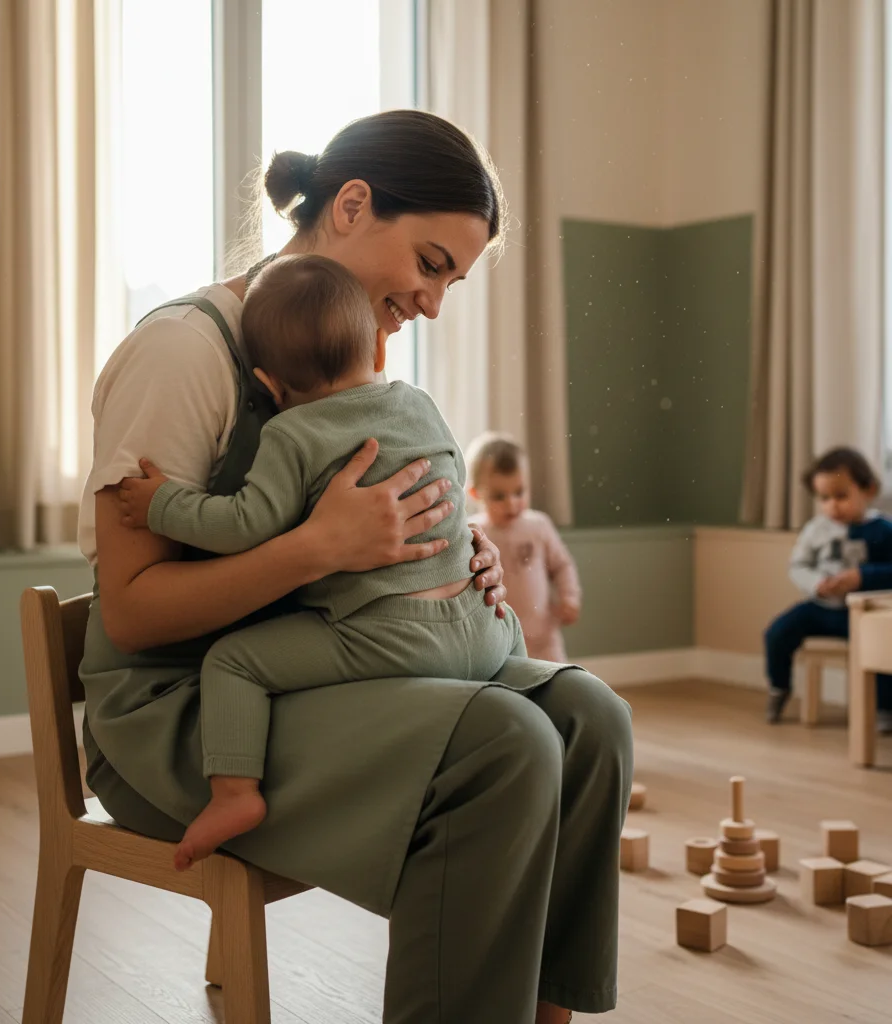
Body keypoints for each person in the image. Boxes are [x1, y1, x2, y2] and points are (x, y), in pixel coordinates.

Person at [78, 109, 633, 1024]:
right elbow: (132, 614)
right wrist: (320, 548)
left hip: (326, 662)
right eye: (429, 265)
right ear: (351, 204)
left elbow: (371, 523)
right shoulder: (184, 351)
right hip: (182, 718)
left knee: (587, 718)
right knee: (503, 746)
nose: (432, 304)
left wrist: (447, 555)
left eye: (449, 281)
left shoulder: (348, 360)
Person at [117, 253, 526, 871]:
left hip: (392, 638)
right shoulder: (418, 403)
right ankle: (522, 682)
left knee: (233, 662)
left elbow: (242, 525)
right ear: (377, 352)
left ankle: (234, 794)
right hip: (484, 627)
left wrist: (162, 505)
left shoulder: (292, 434)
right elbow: (451, 482)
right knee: (517, 651)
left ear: (270, 385)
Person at [764, 446, 892, 728]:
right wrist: (816, 585)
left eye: (841, 496)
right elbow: (798, 566)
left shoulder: (882, 530)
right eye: (824, 498)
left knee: (881, 647)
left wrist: (863, 577)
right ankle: (779, 687)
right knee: (777, 632)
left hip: (862, 613)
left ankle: (885, 708)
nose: (832, 505)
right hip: (819, 607)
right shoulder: (816, 530)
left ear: (868, 490)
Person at [467, 432, 581, 662]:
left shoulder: (538, 526)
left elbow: (562, 566)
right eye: (499, 496)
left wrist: (569, 597)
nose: (512, 503)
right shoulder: (476, 533)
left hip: (544, 638)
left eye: (519, 492)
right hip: (498, 640)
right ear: (476, 493)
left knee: (555, 687)